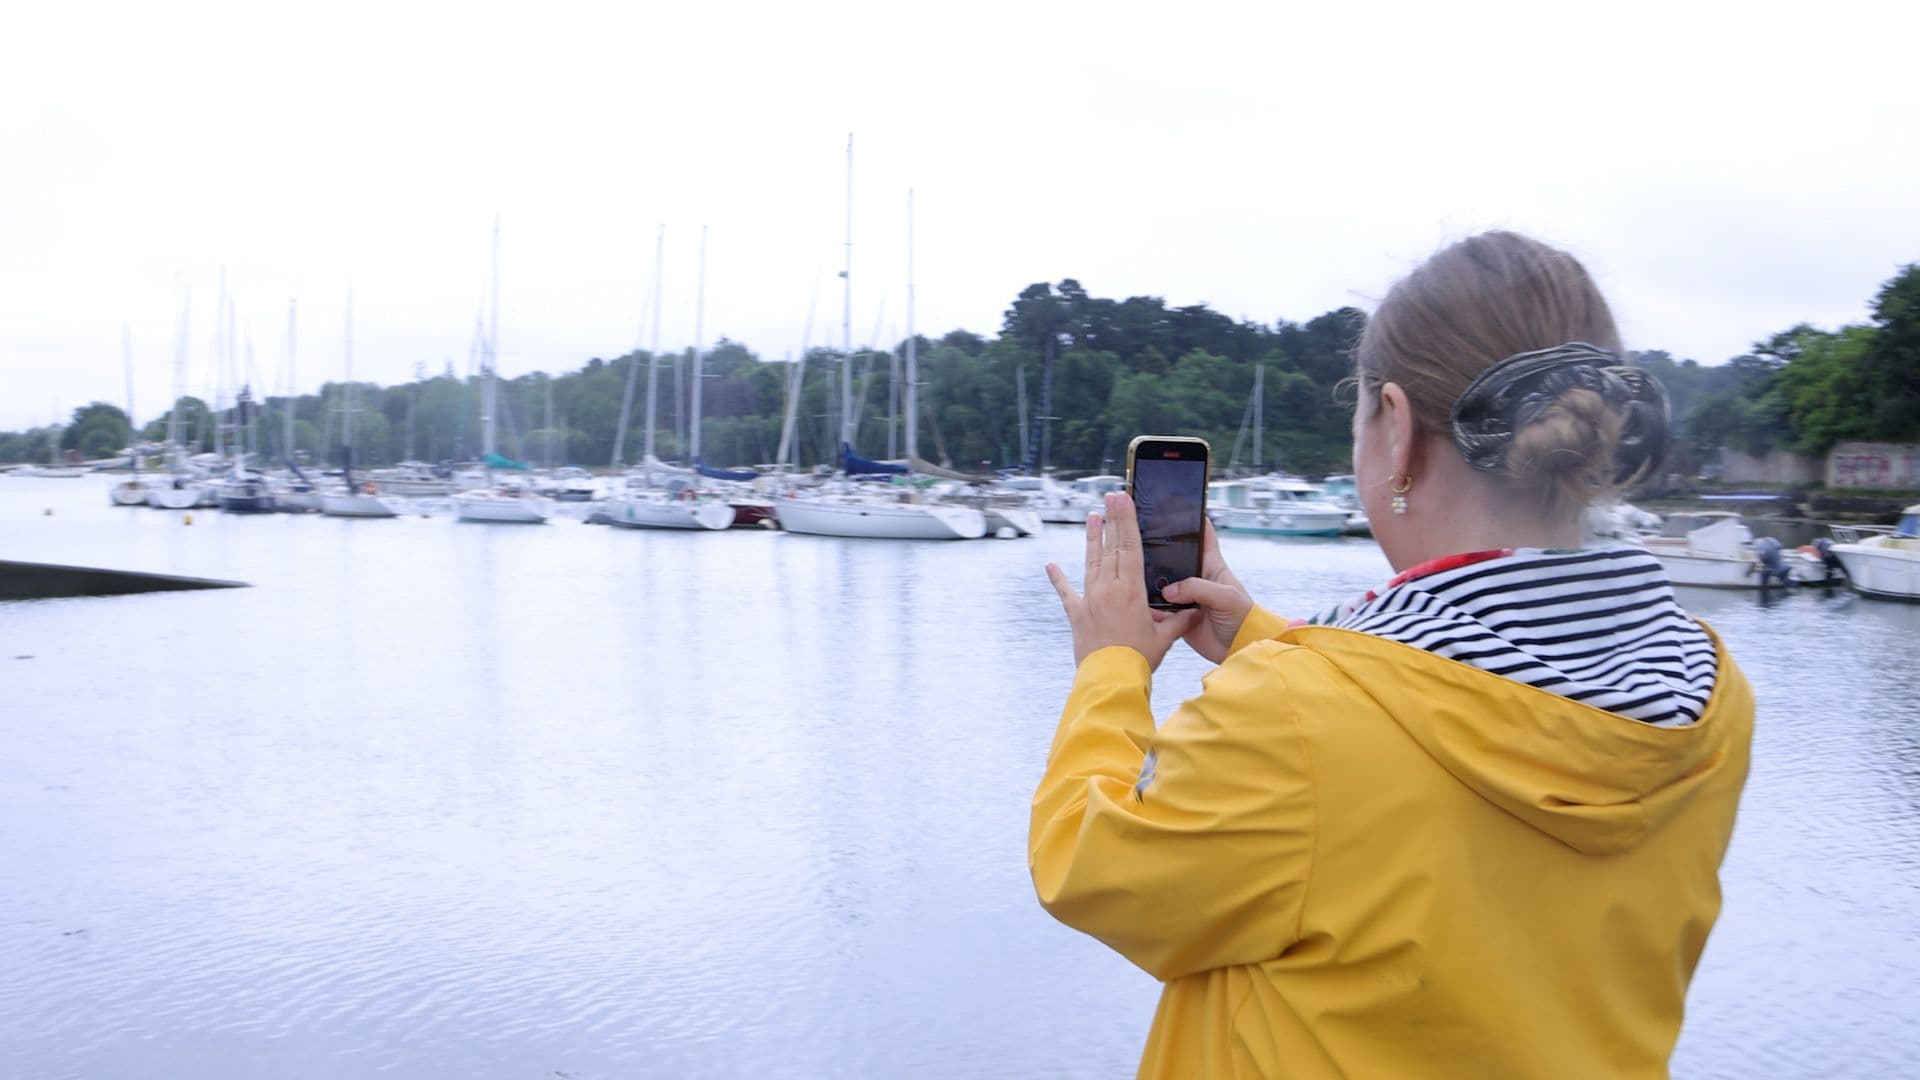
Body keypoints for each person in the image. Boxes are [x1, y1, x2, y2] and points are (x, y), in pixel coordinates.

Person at [1033, 231, 1752, 1079]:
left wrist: (1111, 668)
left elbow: (1093, 866)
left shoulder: (1296, 717)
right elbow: (1465, 722)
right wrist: (1271, 643)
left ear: (1399, 431)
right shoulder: (1707, 687)